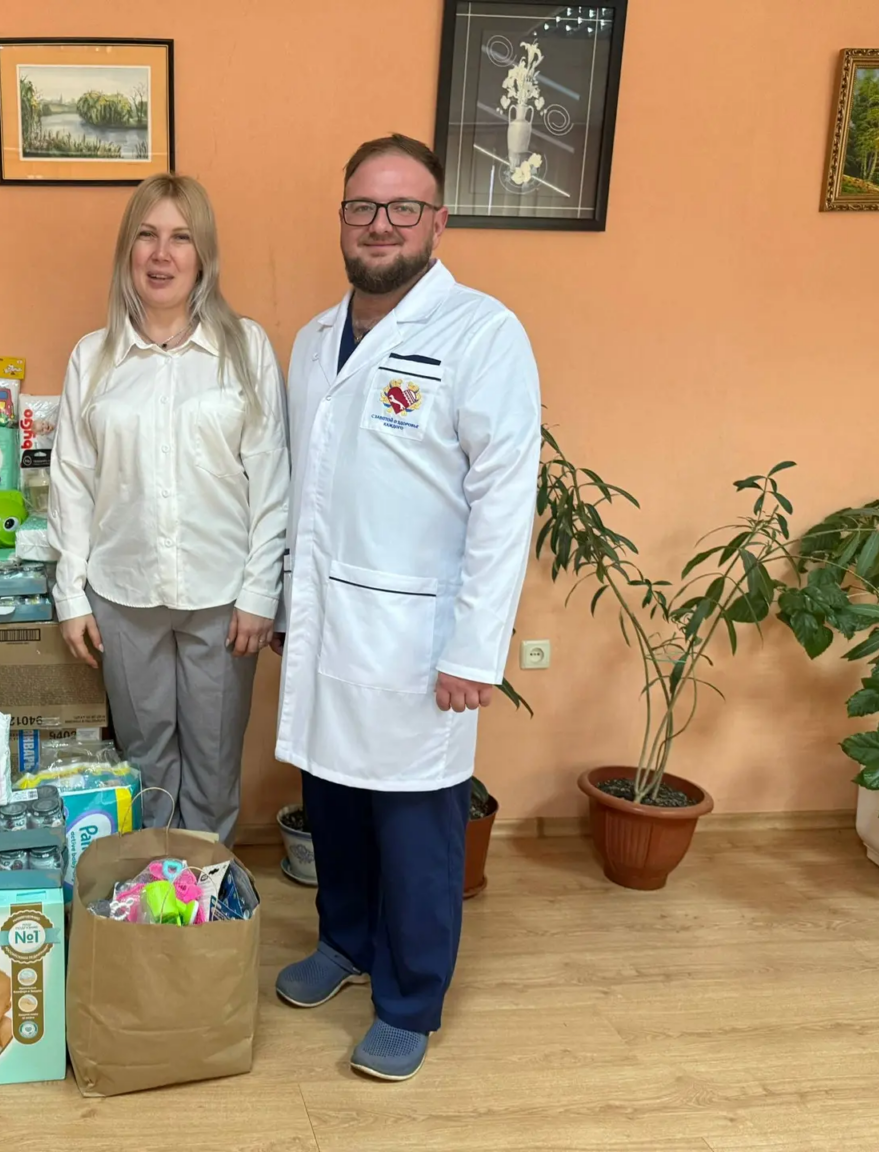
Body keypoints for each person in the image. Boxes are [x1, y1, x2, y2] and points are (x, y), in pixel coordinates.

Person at [272, 134, 541, 1082]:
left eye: (402, 208)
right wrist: (286, 602)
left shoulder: (482, 334)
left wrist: (476, 649)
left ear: (437, 221)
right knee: (334, 799)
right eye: (362, 207)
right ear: (342, 218)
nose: (379, 225)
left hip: (420, 640)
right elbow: (303, 489)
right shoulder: (314, 340)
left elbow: (505, 502)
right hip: (327, 623)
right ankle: (344, 943)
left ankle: (410, 1000)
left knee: (417, 825)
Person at [48, 173, 289, 844]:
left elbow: (272, 478)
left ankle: (205, 889)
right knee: (145, 762)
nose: (162, 254)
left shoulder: (245, 349)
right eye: (147, 236)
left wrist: (260, 591)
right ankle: (154, 890)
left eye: (181, 238)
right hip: (122, 596)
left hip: (223, 598)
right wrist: (70, 594)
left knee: (213, 764)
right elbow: (72, 481)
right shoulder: (92, 359)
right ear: (127, 250)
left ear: (202, 254)